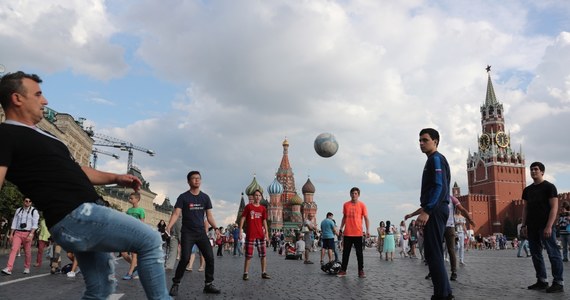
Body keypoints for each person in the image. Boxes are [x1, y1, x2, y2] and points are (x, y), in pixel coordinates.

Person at [0, 71, 169, 299]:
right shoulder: (5, 134)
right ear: (17, 98)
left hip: (79, 216)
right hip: (76, 214)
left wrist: (116, 178)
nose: (45, 100)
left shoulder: (42, 136)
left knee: (100, 291)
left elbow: (77, 171)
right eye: (38, 94)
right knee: (150, 239)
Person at [409, 128, 453, 300]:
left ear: (435, 141)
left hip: (435, 210)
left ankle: (441, 294)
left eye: (425, 140)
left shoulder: (436, 159)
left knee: (433, 253)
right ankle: (445, 292)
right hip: (435, 209)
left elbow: (439, 186)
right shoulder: (433, 159)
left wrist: (427, 210)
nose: (421, 143)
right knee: (433, 252)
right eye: (419, 140)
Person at [166, 170, 220, 296]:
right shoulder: (183, 197)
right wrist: (169, 226)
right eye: (194, 178)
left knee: (210, 258)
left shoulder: (205, 197)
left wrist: (216, 228)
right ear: (188, 181)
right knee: (184, 258)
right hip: (187, 233)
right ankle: (176, 283)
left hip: (201, 233)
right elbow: (176, 213)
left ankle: (208, 284)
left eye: (198, 178)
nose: (197, 180)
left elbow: (209, 216)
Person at [521, 162, 564, 293]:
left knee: (553, 253)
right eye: (531, 169)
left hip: (545, 226)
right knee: (535, 254)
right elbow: (525, 208)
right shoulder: (527, 190)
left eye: (536, 169)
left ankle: (558, 282)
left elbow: (554, 207)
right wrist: (523, 225)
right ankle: (542, 280)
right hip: (532, 227)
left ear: (542, 172)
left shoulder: (549, 187)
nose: (533, 172)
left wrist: (549, 226)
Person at [337, 187, 370, 278]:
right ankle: (343, 270)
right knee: (345, 253)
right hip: (347, 233)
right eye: (352, 193)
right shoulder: (346, 205)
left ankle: (361, 271)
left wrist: (367, 230)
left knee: (359, 253)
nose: (354, 195)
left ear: (358, 195)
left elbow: (366, 218)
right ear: (350, 194)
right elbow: (344, 217)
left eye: (356, 193)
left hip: (358, 233)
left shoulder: (362, 205)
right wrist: (341, 228)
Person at [239, 189, 271, 280]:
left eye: (259, 195)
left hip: (260, 234)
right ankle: (245, 273)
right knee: (248, 255)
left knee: (263, 255)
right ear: (253, 197)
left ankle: (263, 272)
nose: (257, 197)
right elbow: (243, 218)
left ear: (261, 197)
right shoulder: (248, 207)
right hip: (250, 234)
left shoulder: (263, 208)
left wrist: (267, 233)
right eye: (256, 195)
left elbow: (264, 221)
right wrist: (240, 230)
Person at [2, 197, 39, 275]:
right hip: (18, 233)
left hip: (28, 233)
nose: (28, 202)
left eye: (29, 201)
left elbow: (35, 224)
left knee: (27, 251)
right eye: (26, 201)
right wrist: (11, 234)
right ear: (23, 202)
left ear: (31, 202)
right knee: (13, 249)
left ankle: (27, 267)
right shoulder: (18, 210)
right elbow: (14, 222)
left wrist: (31, 234)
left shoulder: (34, 211)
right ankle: (9, 268)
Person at [122, 192, 145, 280]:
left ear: (137, 199)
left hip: (136, 234)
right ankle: (136, 265)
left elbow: (142, 223)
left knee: (134, 255)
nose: (129, 199)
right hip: (128, 233)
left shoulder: (141, 210)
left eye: (131, 198)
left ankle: (130, 273)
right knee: (123, 253)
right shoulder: (129, 210)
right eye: (129, 198)